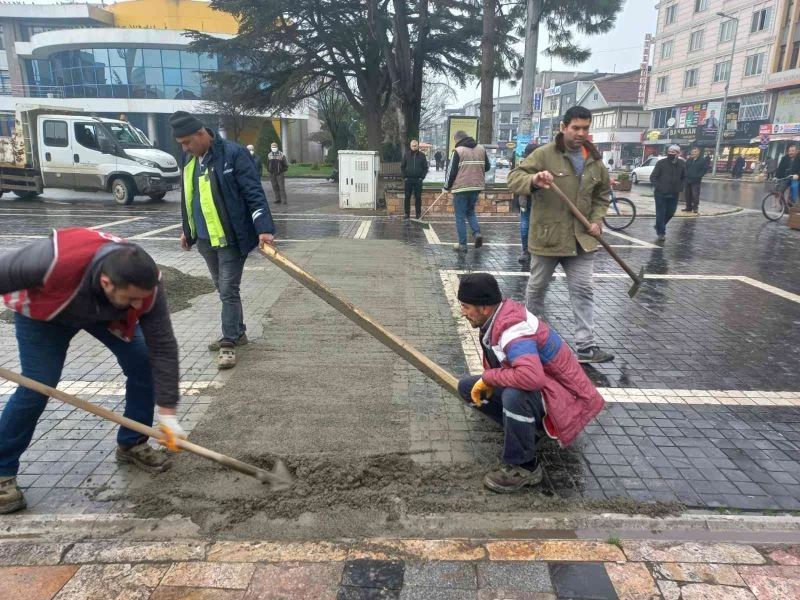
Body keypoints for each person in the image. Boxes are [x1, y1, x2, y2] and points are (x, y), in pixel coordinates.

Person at [0, 228, 186, 514]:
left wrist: (168, 412)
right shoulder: (52, 260)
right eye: (133, 299)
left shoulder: (147, 285)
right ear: (107, 282)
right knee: (37, 384)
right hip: (47, 312)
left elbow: (162, 345)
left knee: (144, 363)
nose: (140, 305)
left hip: (106, 312)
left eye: (143, 299)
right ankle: (2, 471)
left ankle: (132, 443)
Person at [455, 273, 604, 493]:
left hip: (566, 397)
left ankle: (525, 466)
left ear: (484, 308)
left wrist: (489, 378)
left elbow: (531, 378)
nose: (463, 312)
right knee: (467, 388)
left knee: (514, 396)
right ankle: (527, 431)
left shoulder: (513, 330)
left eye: (466, 306)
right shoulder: (496, 318)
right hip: (548, 389)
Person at [507, 106, 614, 364]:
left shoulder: (595, 162)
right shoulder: (545, 155)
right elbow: (513, 178)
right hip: (549, 237)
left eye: (585, 128)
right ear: (563, 127)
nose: (580, 133)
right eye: (575, 128)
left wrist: (598, 220)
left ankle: (586, 346)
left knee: (583, 289)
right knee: (537, 289)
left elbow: (602, 195)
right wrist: (533, 180)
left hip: (582, 239)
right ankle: (527, 338)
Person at [171, 110, 276, 370]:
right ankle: (238, 332)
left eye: (187, 142)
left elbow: (253, 193)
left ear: (201, 133)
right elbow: (190, 197)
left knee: (229, 290)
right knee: (222, 288)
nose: (185, 148)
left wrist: (263, 228)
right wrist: (188, 230)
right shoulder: (192, 160)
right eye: (181, 144)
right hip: (206, 240)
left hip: (230, 238)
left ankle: (228, 343)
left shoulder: (233, 154)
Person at [444, 130, 491, 252]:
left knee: (459, 216)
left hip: (461, 188)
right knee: (470, 212)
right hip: (476, 187)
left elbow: (451, 172)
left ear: (458, 139)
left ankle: (463, 245)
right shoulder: (481, 149)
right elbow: (487, 167)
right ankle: (477, 233)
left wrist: (446, 187)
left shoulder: (458, 151)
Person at [649, 145, 686, 242]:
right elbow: (653, 177)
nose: (671, 154)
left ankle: (658, 226)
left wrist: (681, 186)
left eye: (674, 152)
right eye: (670, 151)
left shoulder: (682, 163)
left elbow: (684, 176)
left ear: (678, 153)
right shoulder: (661, 163)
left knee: (671, 212)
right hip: (661, 193)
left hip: (674, 192)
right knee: (661, 213)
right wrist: (659, 186)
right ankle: (661, 232)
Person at [513, 142, 538, 263]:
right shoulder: (522, 167)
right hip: (526, 202)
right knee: (525, 227)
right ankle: (526, 251)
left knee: (528, 228)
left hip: (539, 204)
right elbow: (516, 185)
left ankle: (531, 253)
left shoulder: (543, 165)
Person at [400, 139, 429, 219]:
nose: (414, 147)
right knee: (407, 197)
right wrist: (405, 177)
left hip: (418, 180)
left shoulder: (422, 155)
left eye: (415, 145)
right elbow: (402, 167)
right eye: (412, 146)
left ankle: (418, 214)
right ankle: (406, 213)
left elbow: (425, 168)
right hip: (408, 180)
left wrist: (422, 177)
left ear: (418, 146)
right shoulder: (406, 155)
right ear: (410, 146)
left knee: (418, 197)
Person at [682, 147, 708, 214]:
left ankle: (695, 208)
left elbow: (705, 169)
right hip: (688, 180)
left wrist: (699, 176)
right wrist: (686, 175)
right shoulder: (689, 160)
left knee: (695, 195)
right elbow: (685, 168)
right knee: (687, 194)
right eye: (693, 152)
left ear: (698, 152)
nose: (693, 153)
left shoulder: (702, 160)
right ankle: (688, 207)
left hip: (696, 180)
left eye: (695, 152)